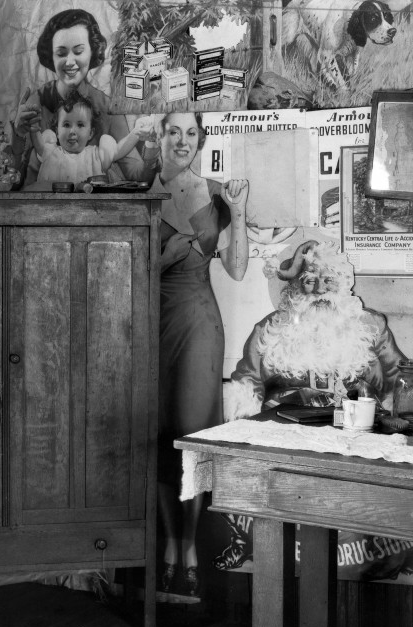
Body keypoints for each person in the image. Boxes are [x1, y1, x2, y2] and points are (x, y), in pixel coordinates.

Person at [139, 110, 250, 597]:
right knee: (159, 435)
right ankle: (168, 543)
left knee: (193, 434)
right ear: (159, 138)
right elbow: (124, 267)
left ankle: (189, 548)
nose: (182, 140)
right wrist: (161, 257)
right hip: (147, 325)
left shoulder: (216, 193)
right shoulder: (139, 191)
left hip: (201, 324)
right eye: (173, 132)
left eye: (191, 133)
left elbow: (240, 270)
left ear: (201, 141)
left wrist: (240, 212)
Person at [227, 239, 407, 419]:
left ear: (343, 284)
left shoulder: (371, 324)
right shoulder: (269, 328)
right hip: (283, 425)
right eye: (309, 280)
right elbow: (246, 382)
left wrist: (392, 412)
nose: (319, 289)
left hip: (357, 424)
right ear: (296, 287)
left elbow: (399, 374)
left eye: (329, 280)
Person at [12, 8, 142, 184]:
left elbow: (135, 174)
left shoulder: (107, 106)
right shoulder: (35, 103)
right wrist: (18, 137)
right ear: (51, 57)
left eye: (78, 51)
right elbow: (11, 180)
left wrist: (153, 149)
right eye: (61, 53)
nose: (70, 62)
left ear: (92, 52)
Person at [29, 94, 154, 187]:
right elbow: (39, 145)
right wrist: (33, 128)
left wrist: (135, 133)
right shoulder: (51, 152)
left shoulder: (95, 155)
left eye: (80, 125)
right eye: (66, 125)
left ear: (90, 133)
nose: (72, 131)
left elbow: (118, 150)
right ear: (57, 131)